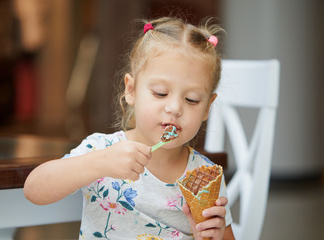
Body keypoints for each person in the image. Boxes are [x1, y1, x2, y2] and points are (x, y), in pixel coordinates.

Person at [24, 16, 235, 240]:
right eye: (160, 93)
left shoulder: (206, 177)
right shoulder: (102, 150)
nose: (174, 108)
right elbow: (33, 189)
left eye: (192, 99)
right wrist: (98, 163)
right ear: (131, 90)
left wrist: (212, 237)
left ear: (207, 108)